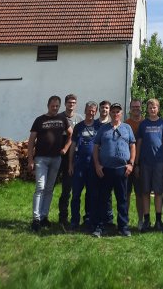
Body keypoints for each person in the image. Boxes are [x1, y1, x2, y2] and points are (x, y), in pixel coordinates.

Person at [90, 102, 136, 238]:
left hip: (122, 169)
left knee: (122, 199)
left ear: (121, 114)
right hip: (105, 169)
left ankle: (123, 227)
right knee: (103, 199)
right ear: (110, 114)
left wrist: (131, 164)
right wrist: (97, 165)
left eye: (118, 112)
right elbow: (96, 147)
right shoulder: (103, 129)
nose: (115, 114)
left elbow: (133, 146)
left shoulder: (127, 128)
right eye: (113, 112)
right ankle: (101, 226)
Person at [27, 95, 72, 231]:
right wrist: (30, 159)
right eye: (53, 106)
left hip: (56, 158)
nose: (55, 108)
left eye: (57, 106)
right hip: (41, 158)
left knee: (49, 188)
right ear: (48, 105)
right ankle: (35, 219)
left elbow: (71, 134)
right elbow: (31, 141)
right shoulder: (39, 120)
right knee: (40, 187)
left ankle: (44, 217)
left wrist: (65, 148)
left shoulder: (62, 119)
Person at [136, 97, 163, 232]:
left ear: (158, 109)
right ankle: (147, 220)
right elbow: (139, 144)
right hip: (145, 163)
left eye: (154, 107)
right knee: (145, 192)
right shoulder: (143, 124)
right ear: (147, 109)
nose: (152, 110)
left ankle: (158, 220)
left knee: (158, 192)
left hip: (159, 163)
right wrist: (136, 163)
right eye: (150, 108)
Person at [68, 101, 101, 230]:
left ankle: (89, 219)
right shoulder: (79, 127)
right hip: (80, 164)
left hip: (93, 165)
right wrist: (70, 164)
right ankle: (74, 221)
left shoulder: (99, 126)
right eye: (89, 110)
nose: (91, 113)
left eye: (93, 111)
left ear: (96, 112)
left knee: (91, 194)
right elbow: (73, 146)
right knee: (76, 194)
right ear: (85, 110)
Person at [57, 94, 84, 225]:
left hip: (74, 156)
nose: (71, 104)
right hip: (60, 155)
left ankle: (69, 217)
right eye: (69, 102)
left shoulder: (79, 119)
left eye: (73, 102)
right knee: (58, 188)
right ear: (65, 104)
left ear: (76, 104)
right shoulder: (59, 117)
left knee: (71, 188)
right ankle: (61, 217)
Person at [126, 98, 145, 229]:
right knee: (125, 193)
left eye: (138, 107)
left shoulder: (145, 123)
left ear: (141, 108)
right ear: (130, 108)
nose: (135, 109)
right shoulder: (125, 124)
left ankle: (141, 220)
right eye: (133, 107)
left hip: (142, 163)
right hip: (127, 163)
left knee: (140, 194)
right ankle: (124, 220)